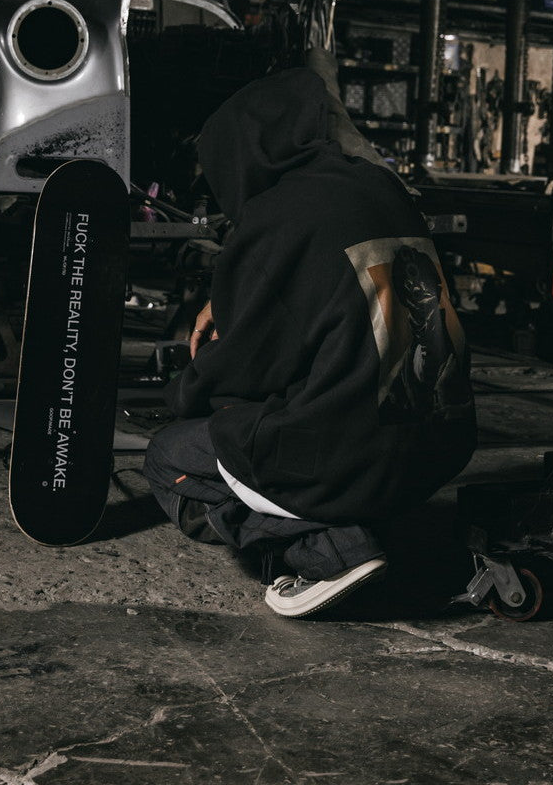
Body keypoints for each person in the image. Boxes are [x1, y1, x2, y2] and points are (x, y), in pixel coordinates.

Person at [143, 65, 476, 617]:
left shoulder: (276, 217)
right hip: (440, 447)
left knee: (169, 456)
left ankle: (331, 550)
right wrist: (237, 305)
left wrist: (184, 389)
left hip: (358, 458)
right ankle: (374, 522)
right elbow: (340, 298)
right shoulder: (380, 187)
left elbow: (237, 374)